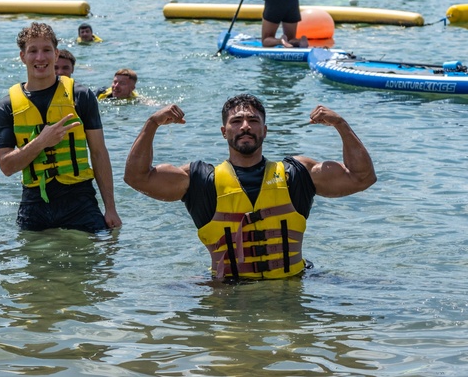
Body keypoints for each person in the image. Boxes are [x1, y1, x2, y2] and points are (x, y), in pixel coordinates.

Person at [123, 94, 376, 280]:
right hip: (229, 297)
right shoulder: (200, 181)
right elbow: (137, 177)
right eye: (237, 121)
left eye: (253, 121)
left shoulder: (297, 174)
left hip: (292, 291)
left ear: (264, 131)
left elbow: (361, 177)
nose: (245, 126)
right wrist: (152, 123)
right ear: (224, 131)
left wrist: (340, 124)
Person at [0, 22, 122, 233]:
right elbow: (7, 167)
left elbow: (99, 153)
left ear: (56, 53)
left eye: (46, 50)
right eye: (32, 51)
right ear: (22, 56)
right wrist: (41, 141)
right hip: (34, 204)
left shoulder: (81, 96)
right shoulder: (6, 106)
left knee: (92, 263)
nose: (40, 58)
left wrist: (111, 209)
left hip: (79, 200)